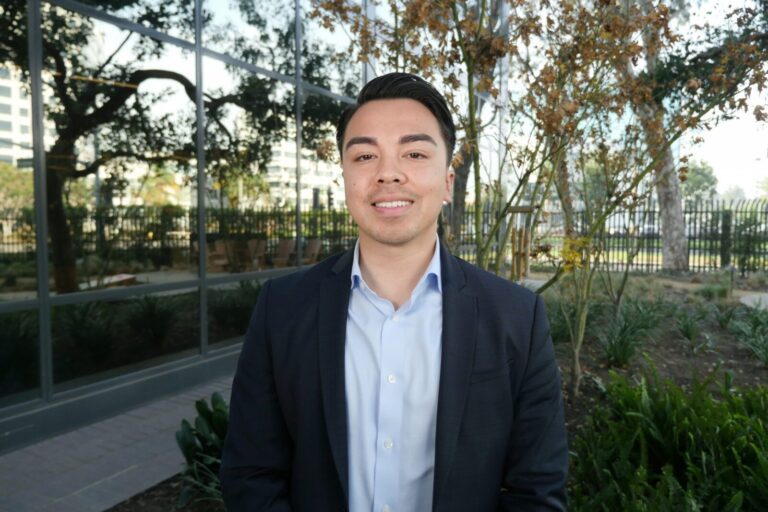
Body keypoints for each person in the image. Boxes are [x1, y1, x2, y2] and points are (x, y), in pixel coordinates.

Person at [220, 72, 568, 512]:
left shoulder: (517, 317)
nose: (388, 173)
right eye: (365, 156)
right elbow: (250, 474)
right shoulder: (282, 309)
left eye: (415, 153)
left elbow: (536, 491)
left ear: (447, 181)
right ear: (345, 178)